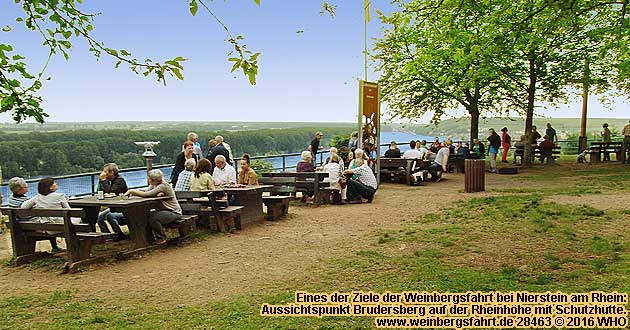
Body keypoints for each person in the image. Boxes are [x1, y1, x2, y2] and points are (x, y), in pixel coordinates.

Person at [125, 169, 182, 245]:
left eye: (150, 178)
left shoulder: (163, 186)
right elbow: (146, 191)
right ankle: (148, 239)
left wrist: (132, 191)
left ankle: (161, 238)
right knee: (145, 216)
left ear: (154, 180)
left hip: (173, 212)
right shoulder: (155, 185)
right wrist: (135, 191)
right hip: (164, 210)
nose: (149, 180)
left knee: (153, 218)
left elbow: (147, 194)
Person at [8, 177, 63, 252]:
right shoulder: (24, 201)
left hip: (21, 225)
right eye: (26, 186)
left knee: (47, 219)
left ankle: (55, 247)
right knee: (48, 221)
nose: (28, 187)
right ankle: (55, 247)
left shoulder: (11, 199)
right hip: (33, 225)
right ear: (19, 190)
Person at [96, 163, 129, 241]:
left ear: (112, 173)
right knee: (99, 218)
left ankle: (119, 234)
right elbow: (100, 191)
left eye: (105, 171)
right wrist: (101, 181)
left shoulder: (119, 180)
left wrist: (104, 180)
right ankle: (107, 236)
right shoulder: (110, 180)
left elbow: (110, 191)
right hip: (114, 206)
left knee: (109, 216)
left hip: (123, 208)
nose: (103, 173)